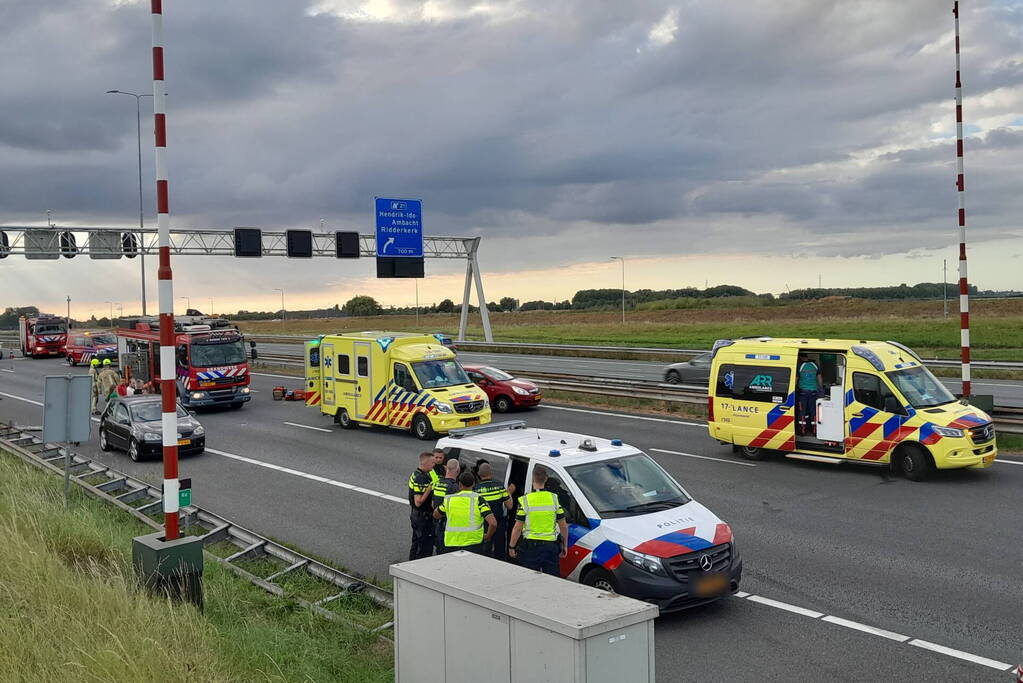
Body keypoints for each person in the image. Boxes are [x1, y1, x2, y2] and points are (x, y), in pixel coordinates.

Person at [508, 466, 568, 576]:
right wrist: (565, 545)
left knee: (529, 579)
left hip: (531, 548)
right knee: (552, 580)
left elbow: (518, 527)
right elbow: (563, 526)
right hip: (550, 547)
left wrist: (512, 546)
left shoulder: (526, 500)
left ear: (532, 480)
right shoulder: (554, 499)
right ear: (546, 479)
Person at [434, 472, 496, 554]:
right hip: (474, 544)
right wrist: (487, 536)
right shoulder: (479, 499)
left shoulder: (449, 500)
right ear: (473, 484)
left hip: (452, 544)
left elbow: (436, 515)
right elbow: (493, 523)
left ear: (459, 484)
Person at [474, 463, 515, 560]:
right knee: (499, 551)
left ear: (479, 474)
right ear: (491, 473)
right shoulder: (500, 487)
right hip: (499, 524)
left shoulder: (476, 489)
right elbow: (510, 506)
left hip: (483, 524)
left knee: (484, 552)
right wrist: (509, 492)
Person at [407, 452, 436, 561]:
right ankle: (418, 567)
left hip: (416, 515)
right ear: (426, 463)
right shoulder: (421, 478)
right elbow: (418, 501)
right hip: (422, 517)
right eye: (432, 462)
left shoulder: (415, 473)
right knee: (423, 546)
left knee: (416, 542)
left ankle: (411, 564)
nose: (434, 465)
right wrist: (430, 488)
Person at [432, 458, 461, 555]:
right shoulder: (454, 487)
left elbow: (433, 504)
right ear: (458, 470)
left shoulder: (438, 483)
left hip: (437, 523)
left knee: (439, 550)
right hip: (447, 525)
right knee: (447, 552)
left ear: (446, 469)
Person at [796, 353, 822, 436]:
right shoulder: (815, 365)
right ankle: (815, 430)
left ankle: (803, 430)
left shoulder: (800, 366)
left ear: (801, 358)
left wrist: (794, 388)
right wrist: (821, 388)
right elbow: (819, 378)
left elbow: (796, 379)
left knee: (802, 411)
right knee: (813, 411)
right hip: (814, 392)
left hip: (803, 392)